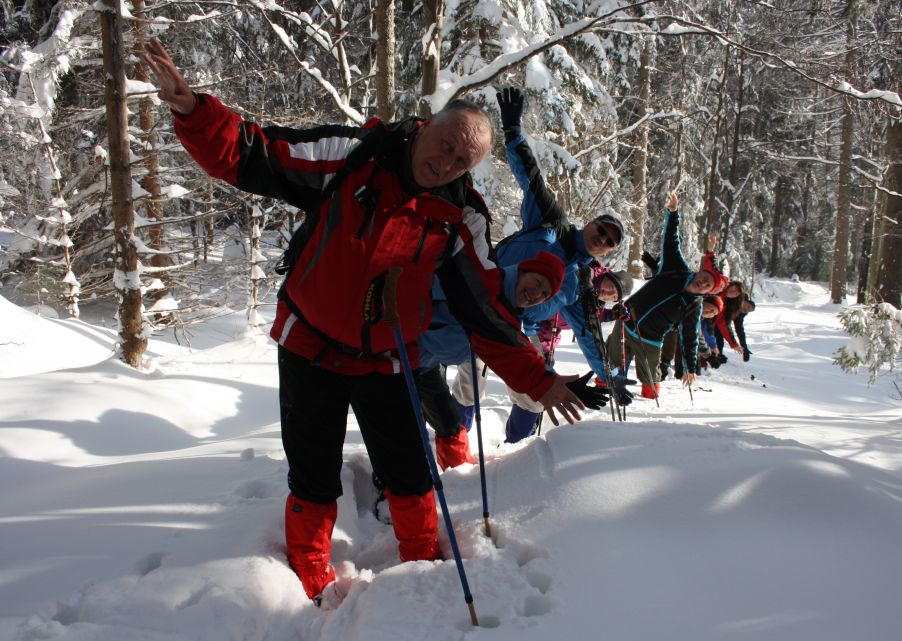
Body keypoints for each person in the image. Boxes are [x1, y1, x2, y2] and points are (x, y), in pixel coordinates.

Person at [140, 39, 592, 605]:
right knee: (313, 472)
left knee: (408, 468)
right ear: (425, 124)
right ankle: (308, 578)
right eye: (445, 145)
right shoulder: (353, 156)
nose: (446, 163)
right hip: (309, 344)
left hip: (387, 357)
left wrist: (538, 379)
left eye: (462, 161)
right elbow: (256, 154)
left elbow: (485, 310)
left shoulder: (460, 215)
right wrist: (193, 110)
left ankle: (424, 565)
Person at [459, 87, 633, 443]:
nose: (602, 239)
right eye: (602, 230)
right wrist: (513, 132)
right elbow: (531, 177)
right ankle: (454, 448)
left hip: (518, 329)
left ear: (607, 253)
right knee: (468, 383)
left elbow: (588, 334)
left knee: (535, 396)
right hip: (481, 296)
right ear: (590, 224)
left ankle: (518, 456)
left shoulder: (578, 284)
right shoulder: (552, 223)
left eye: (609, 242)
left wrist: (607, 374)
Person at [417, 250, 603, 470]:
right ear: (524, 270)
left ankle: (458, 477)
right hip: (397, 351)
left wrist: (550, 379)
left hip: (423, 365)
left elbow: (515, 346)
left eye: (545, 294)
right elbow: (506, 342)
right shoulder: (485, 284)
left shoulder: (509, 313)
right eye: (538, 282)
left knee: (448, 423)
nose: (536, 294)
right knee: (404, 426)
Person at [614, 192, 725, 396]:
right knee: (610, 367)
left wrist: (690, 367)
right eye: (704, 277)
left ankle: (647, 404)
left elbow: (690, 337)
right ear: (700, 271)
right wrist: (673, 213)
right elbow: (671, 241)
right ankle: (604, 392)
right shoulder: (676, 268)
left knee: (650, 386)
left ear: (708, 292)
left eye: (707, 285)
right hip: (626, 319)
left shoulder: (694, 306)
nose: (702, 282)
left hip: (651, 339)